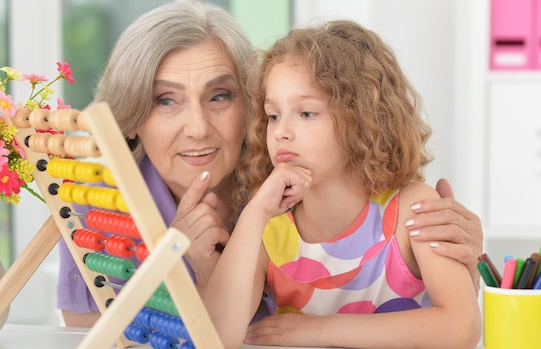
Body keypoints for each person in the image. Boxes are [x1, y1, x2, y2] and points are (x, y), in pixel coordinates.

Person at [58, 1, 483, 328]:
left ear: (251, 104)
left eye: (220, 96)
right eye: (165, 100)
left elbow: (395, 277)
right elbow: (90, 337)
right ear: (130, 116)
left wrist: (465, 261)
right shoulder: (92, 200)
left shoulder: (291, 183)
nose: (198, 128)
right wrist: (182, 268)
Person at [202, 20, 482, 349]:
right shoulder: (268, 227)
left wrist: (321, 330)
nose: (281, 132)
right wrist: (255, 213)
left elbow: (462, 327)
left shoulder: (412, 207)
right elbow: (217, 337)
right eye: (273, 116)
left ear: (363, 119)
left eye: (306, 113)